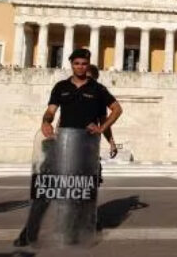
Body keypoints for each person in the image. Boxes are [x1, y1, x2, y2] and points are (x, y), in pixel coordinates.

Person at [14, 48, 123, 246]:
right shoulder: (61, 86)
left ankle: (74, 231)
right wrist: (46, 122)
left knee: (79, 193)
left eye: (84, 64)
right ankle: (29, 232)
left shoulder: (98, 90)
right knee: (45, 191)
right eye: (76, 63)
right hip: (60, 145)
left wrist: (104, 131)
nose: (80, 67)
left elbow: (114, 111)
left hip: (84, 148)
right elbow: (51, 111)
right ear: (71, 64)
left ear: (88, 65)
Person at [86, 64, 118, 159]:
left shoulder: (98, 93)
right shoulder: (69, 89)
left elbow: (103, 119)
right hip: (70, 138)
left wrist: (111, 142)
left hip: (89, 142)